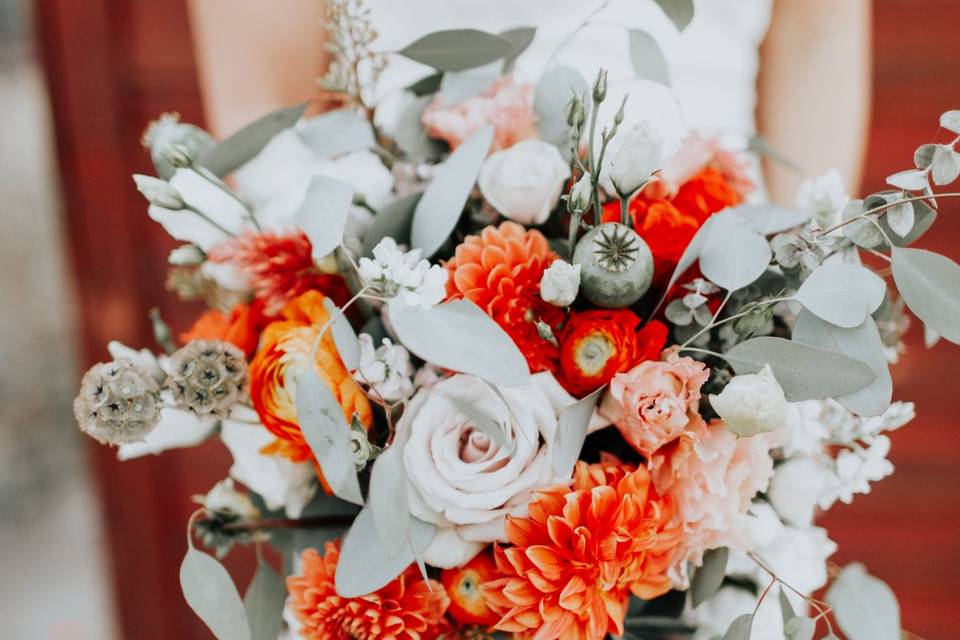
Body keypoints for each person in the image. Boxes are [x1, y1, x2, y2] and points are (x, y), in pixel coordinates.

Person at [187, 0, 870, 204]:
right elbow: (270, 103)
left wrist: (801, 278)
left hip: (720, 299)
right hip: (404, 321)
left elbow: (818, 30)